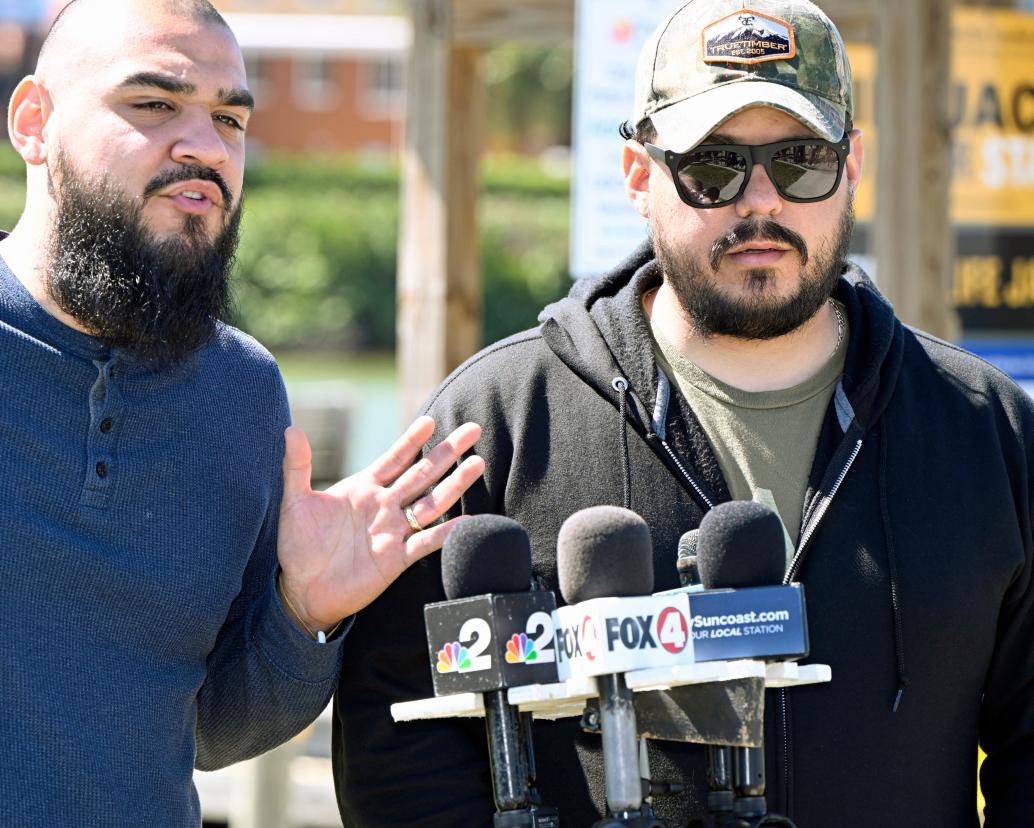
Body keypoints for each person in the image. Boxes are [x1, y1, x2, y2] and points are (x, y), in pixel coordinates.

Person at [333, 0, 1034, 825]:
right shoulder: (495, 424)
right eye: (714, 166)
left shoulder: (986, 430)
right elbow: (397, 739)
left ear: (852, 169)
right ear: (639, 175)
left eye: (801, 159)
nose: (761, 201)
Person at [0, 1, 485, 824]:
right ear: (33, 122)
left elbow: (204, 728)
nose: (204, 147)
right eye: (154, 105)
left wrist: (304, 616)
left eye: (229, 117)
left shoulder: (244, 393)